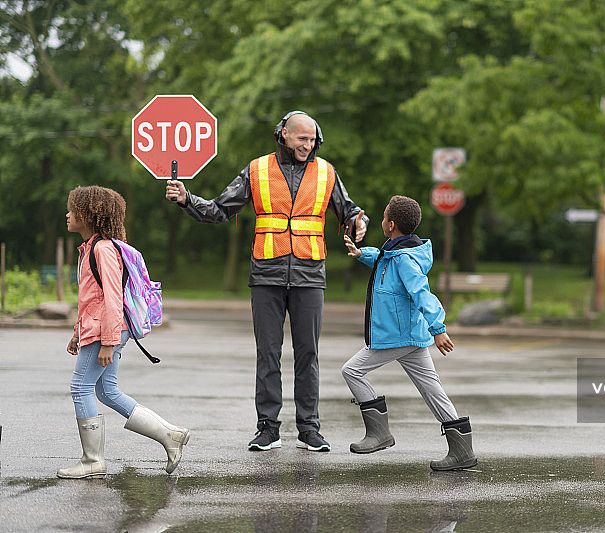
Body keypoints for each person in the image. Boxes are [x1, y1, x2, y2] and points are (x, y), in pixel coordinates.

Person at [165, 111, 368, 452]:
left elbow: (348, 210)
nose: (309, 145)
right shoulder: (257, 169)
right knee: (268, 354)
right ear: (283, 135)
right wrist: (188, 199)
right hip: (266, 274)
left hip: (309, 274)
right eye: (302, 138)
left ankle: (309, 429)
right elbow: (219, 210)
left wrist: (358, 221)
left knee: (308, 354)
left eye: (313, 139)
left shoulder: (326, 172)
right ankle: (267, 429)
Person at [60, 185, 190, 479]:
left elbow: (112, 298)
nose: (67, 214)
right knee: (107, 391)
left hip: (107, 332)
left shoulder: (102, 249)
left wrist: (107, 341)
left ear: (89, 214)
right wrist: (78, 331)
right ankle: (170, 435)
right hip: (100, 331)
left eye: (72, 209)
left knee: (80, 387)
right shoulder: (92, 248)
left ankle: (92, 460)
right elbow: (92, 300)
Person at [341, 195, 477, 471]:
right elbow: (383, 264)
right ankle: (462, 449)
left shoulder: (403, 258)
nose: (380, 221)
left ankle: (379, 433)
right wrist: (361, 253)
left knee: (351, 371)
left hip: (397, 336)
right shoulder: (397, 251)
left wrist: (438, 328)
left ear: (391, 225)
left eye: (382, 217)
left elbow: (421, 292)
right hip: (410, 337)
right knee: (432, 389)